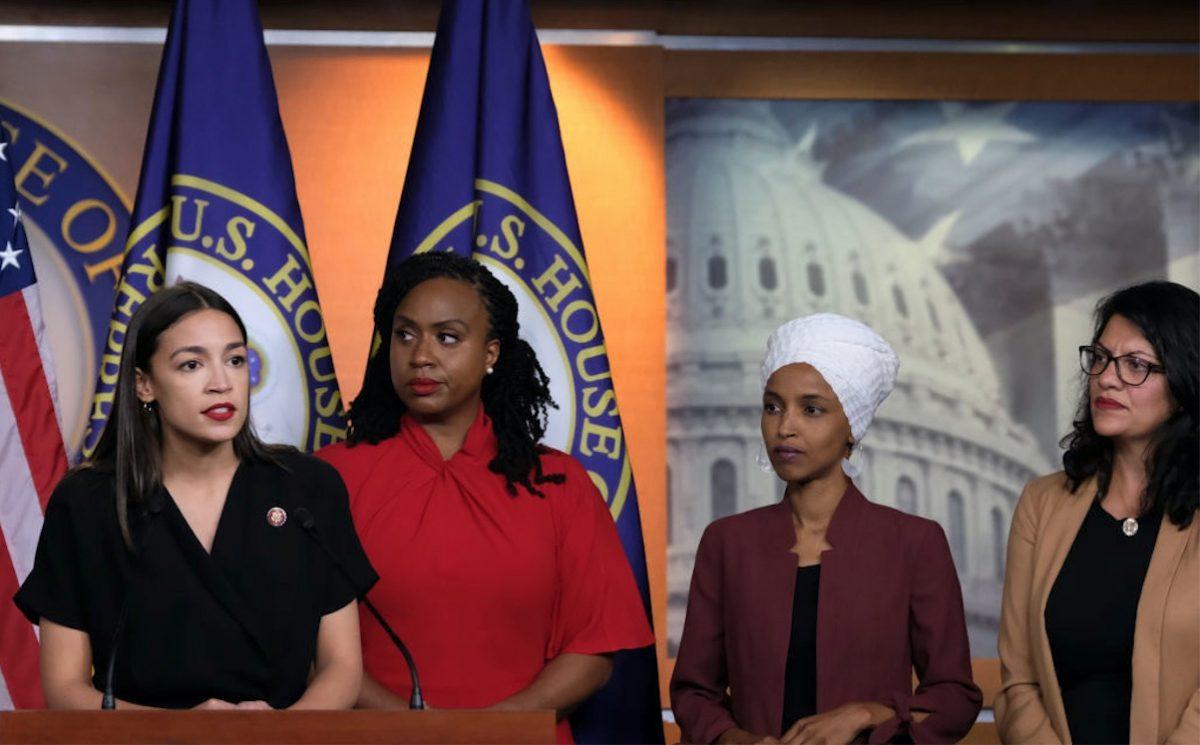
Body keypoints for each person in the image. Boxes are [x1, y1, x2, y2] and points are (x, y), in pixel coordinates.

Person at [317, 252, 653, 742]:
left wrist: (488, 729)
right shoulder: (330, 479)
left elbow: (593, 652)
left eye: (447, 337)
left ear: (491, 352)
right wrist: (408, 728)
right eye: (404, 334)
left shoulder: (559, 483)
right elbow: (306, 643)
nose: (421, 356)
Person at [15, 281, 375, 710]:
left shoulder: (307, 488)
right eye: (191, 366)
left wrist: (280, 735)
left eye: (236, 360)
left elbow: (342, 668)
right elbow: (65, 688)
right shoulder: (87, 502)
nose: (221, 383)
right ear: (144, 385)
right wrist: (185, 733)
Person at [671, 313, 981, 744]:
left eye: (811, 409)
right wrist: (736, 740)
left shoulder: (914, 542)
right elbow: (693, 692)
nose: (785, 427)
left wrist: (867, 714)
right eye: (772, 406)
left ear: (852, 428)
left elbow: (954, 696)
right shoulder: (727, 543)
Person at [995, 281, 1199, 744]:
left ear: (1185, 385)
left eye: (1136, 366)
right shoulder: (1041, 504)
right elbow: (1017, 682)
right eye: (1102, 358)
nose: (1107, 377)